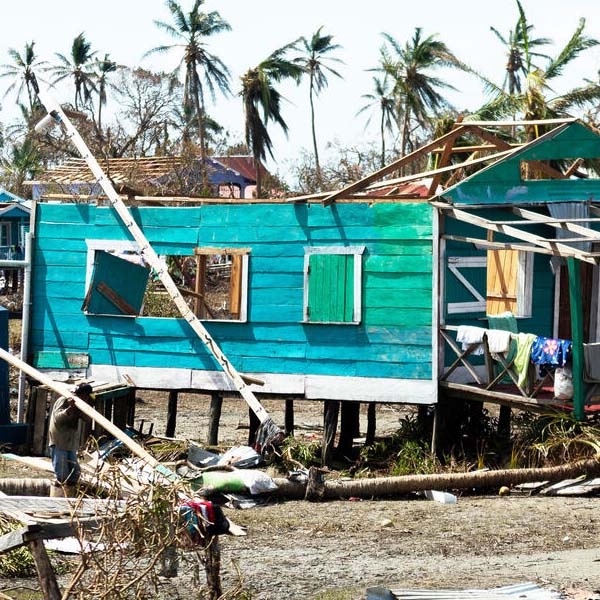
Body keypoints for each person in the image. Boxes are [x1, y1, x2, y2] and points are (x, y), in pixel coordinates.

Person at [48, 383, 94, 494]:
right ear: (82, 394)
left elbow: (87, 419)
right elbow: (57, 418)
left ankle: (71, 496)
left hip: (70, 442)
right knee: (62, 473)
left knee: (75, 473)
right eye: (86, 396)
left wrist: (82, 409)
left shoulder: (80, 404)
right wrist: (70, 408)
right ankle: (59, 497)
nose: (87, 399)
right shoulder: (64, 400)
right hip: (59, 440)